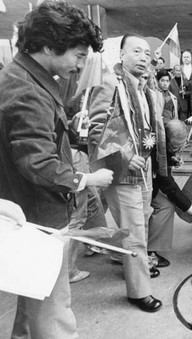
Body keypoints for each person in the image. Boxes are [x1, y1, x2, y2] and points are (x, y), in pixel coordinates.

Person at [0, 1, 113, 337]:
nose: (81, 65)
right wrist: (86, 178)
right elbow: (37, 163)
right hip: (37, 219)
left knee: (32, 299)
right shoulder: (25, 89)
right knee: (53, 311)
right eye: (78, 55)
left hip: (28, 214)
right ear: (48, 46)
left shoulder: (24, 77)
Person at [88, 34, 164, 312]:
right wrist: (125, 154)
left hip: (143, 169)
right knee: (133, 231)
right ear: (121, 55)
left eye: (147, 53)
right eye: (137, 51)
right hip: (122, 170)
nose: (145, 57)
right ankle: (138, 291)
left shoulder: (144, 87)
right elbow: (94, 127)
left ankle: (133, 266)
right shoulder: (110, 82)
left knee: (139, 224)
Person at [148, 119, 192, 267]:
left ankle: (152, 247)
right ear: (164, 139)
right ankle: (145, 254)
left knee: (166, 204)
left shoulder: (165, 146)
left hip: (153, 183)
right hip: (137, 186)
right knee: (166, 200)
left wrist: (172, 160)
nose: (179, 150)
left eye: (182, 145)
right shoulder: (154, 146)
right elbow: (170, 188)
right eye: (175, 146)